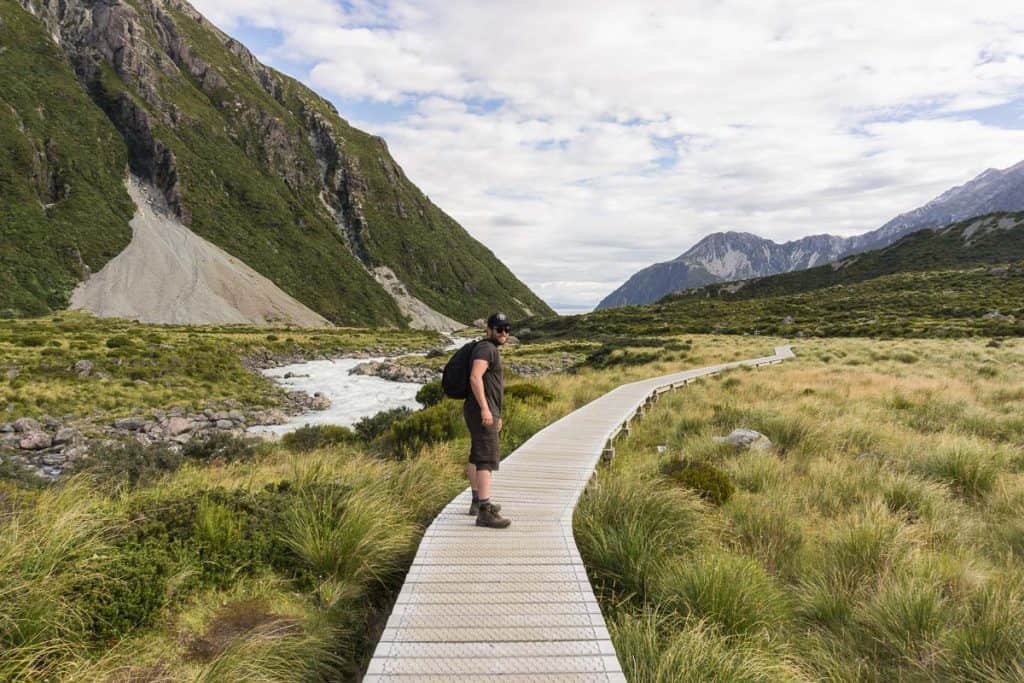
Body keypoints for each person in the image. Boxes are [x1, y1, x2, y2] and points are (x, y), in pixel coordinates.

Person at [465, 312, 512, 528]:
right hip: (482, 410)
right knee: (486, 458)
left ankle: (477, 500)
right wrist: (486, 409)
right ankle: (485, 511)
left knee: (477, 454)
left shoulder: (488, 348)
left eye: (506, 329)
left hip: (482, 410)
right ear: (489, 330)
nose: (504, 333)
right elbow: (475, 377)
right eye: (499, 329)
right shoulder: (486, 349)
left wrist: (496, 413)